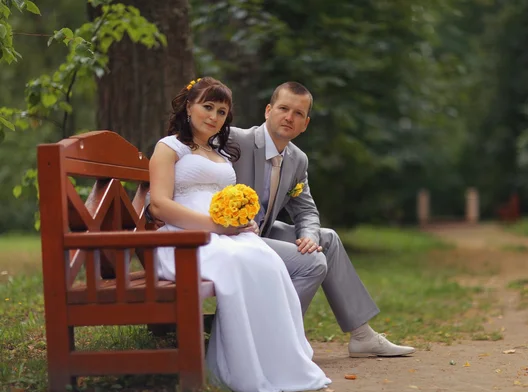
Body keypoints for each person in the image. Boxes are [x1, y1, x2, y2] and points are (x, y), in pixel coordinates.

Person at [149, 81, 415, 358]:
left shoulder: (298, 159)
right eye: (283, 108)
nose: (289, 117)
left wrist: (309, 236)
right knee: (310, 262)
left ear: (305, 124)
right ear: (268, 110)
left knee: (327, 240)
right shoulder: (232, 139)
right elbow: (185, 160)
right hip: (226, 233)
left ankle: (362, 335)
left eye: (298, 114)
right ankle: (271, 336)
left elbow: (306, 210)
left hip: (256, 231)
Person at [149, 77, 331, 392]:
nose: (214, 117)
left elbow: (227, 199)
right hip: (183, 239)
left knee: (268, 262)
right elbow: (160, 205)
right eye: (207, 107)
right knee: (237, 261)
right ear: (188, 107)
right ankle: (238, 363)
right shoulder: (169, 148)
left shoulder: (219, 151)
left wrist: (241, 221)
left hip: (224, 234)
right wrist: (215, 226)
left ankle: (270, 356)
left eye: (221, 111)